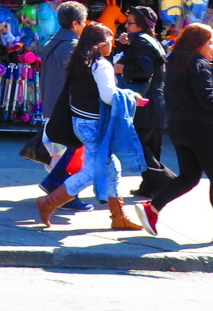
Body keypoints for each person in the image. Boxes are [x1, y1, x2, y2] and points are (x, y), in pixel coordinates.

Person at [138, 22, 213, 243]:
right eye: (210, 42)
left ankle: (152, 208)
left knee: (189, 176)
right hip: (202, 127)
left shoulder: (176, 63)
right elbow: (209, 100)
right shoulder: (199, 65)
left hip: (179, 127)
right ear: (197, 44)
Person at [37, 24, 143, 230]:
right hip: (95, 125)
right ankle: (49, 202)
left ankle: (119, 216)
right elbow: (108, 96)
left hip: (80, 122)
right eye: (110, 41)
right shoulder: (101, 64)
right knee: (92, 171)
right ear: (101, 44)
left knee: (113, 168)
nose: (112, 45)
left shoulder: (80, 61)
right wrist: (131, 95)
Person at [35, 0, 96, 212]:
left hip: (51, 107)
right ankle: (65, 197)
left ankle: (55, 188)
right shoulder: (72, 47)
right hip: (66, 110)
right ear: (76, 23)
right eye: (84, 22)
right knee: (72, 158)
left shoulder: (51, 44)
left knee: (61, 156)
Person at [116, 5, 174, 198]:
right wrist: (126, 46)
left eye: (130, 23)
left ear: (141, 25)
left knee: (140, 147)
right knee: (151, 147)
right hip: (155, 103)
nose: (126, 26)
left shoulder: (142, 43)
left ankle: (170, 182)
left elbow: (143, 70)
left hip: (145, 104)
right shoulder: (150, 41)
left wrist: (120, 69)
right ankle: (150, 187)